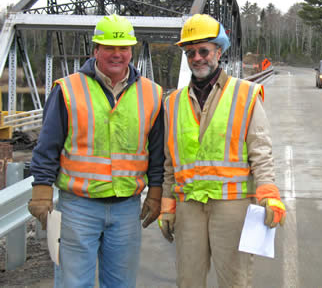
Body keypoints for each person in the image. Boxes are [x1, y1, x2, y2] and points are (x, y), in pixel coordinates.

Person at [28, 14, 165, 287]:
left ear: (131, 51)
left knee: (120, 283)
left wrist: (157, 193)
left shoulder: (152, 93)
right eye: (109, 48)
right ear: (96, 50)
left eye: (123, 48)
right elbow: (47, 146)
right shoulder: (67, 89)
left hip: (127, 205)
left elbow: (157, 151)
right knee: (73, 282)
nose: (117, 54)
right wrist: (41, 190)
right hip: (79, 206)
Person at [158, 14, 286, 287]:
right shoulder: (172, 102)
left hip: (233, 206)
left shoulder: (246, 94)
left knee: (234, 281)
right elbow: (170, 162)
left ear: (219, 51)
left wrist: (269, 193)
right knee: (188, 280)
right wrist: (167, 205)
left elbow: (261, 151)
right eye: (190, 52)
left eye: (203, 50)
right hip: (189, 205)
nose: (197, 58)